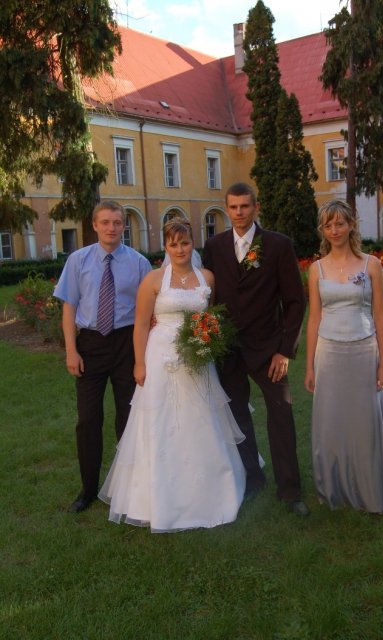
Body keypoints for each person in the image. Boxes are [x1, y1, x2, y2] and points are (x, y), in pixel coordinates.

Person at [98, 218, 246, 532]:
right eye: (173, 244)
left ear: (193, 243)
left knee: (200, 418)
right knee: (160, 421)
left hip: (197, 359)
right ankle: (155, 499)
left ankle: (210, 494)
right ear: (165, 246)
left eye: (185, 243)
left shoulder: (207, 277)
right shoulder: (153, 280)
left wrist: (208, 339)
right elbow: (141, 324)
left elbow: (209, 317)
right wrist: (139, 364)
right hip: (160, 358)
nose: (180, 249)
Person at [203, 182, 309, 516]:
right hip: (228, 350)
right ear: (226, 209)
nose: (239, 212)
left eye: (245, 206)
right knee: (238, 417)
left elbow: (295, 301)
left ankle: (290, 490)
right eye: (233, 207)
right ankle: (252, 479)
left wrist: (284, 350)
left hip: (268, 351)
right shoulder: (214, 246)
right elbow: (206, 295)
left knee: (281, 415)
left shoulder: (278, 245)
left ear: (256, 207)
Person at [305, 199, 383, 513]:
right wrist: (309, 366)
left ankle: (370, 486)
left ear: (351, 225)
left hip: (363, 350)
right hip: (328, 353)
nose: (334, 230)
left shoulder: (371, 264)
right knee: (331, 421)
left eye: (340, 223)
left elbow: (380, 317)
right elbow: (314, 319)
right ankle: (334, 486)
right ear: (323, 230)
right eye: (328, 225)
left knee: (365, 422)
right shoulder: (316, 269)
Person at [54, 200, 152, 513]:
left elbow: (149, 311)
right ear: (95, 225)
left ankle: (128, 486)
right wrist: (71, 350)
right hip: (90, 345)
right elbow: (69, 307)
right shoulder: (78, 260)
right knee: (88, 419)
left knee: (129, 417)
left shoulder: (139, 263)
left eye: (117, 222)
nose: (111, 228)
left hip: (126, 344)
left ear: (124, 226)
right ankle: (88, 489)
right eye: (105, 222)